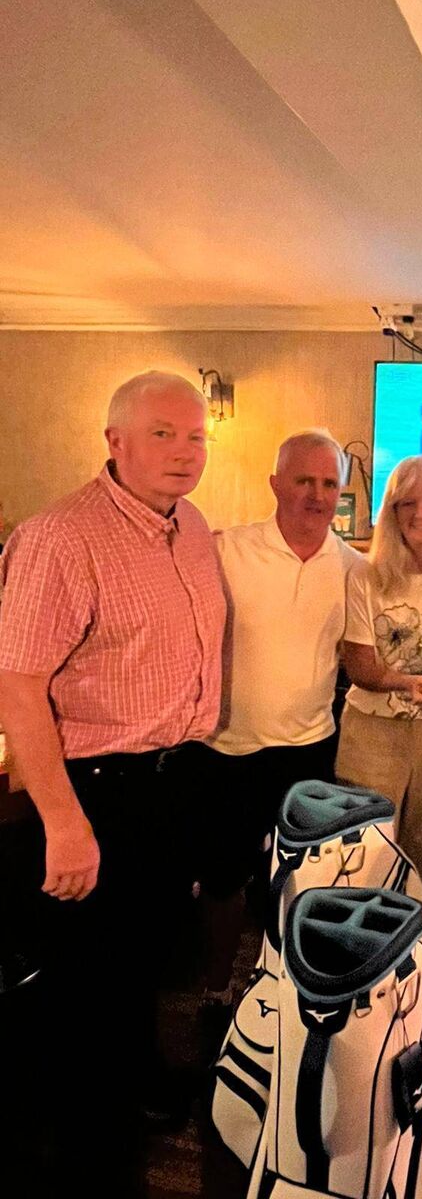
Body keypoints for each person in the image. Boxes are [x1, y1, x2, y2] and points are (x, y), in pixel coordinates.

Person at [0, 371, 225, 1195]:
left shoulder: (191, 525)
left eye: (197, 435)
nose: (184, 450)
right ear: (115, 442)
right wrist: (63, 822)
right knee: (87, 990)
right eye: (162, 433)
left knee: (146, 965)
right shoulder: (62, 536)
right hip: (94, 790)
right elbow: (17, 684)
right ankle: (94, 1159)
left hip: (171, 785)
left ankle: (135, 1090)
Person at [190, 430, 361, 1010]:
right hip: (226, 746)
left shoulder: (354, 567)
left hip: (311, 748)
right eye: (303, 480)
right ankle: (216, 989)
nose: (316, 494)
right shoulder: (224, 550)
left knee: (295, 882)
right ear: (275, 484)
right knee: (221, 882)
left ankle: (280, 989)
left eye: (328, 483)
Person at [335, 455, 422, 905]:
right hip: (372, 731)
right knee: (365, 852)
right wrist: (409, 684)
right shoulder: (364, 574)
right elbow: (360, 667)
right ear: (390, 512)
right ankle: (363, 953)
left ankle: (415, 955)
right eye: (406, 502)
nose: (420, 513)